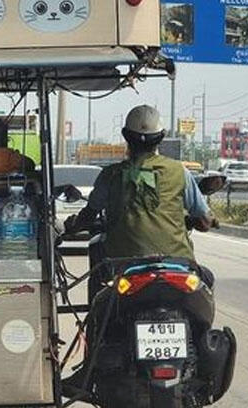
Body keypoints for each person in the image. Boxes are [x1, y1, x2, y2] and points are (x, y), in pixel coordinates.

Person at [66, 104, 215, 283]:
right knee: (207, 279)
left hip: (123, 266)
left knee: (101, 290)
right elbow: (205, 222)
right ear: (161, 138)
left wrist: (72, 226)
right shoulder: (179, 171)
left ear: (126, 136)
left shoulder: (111, 175)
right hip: (177, 263)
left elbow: (88, 215)